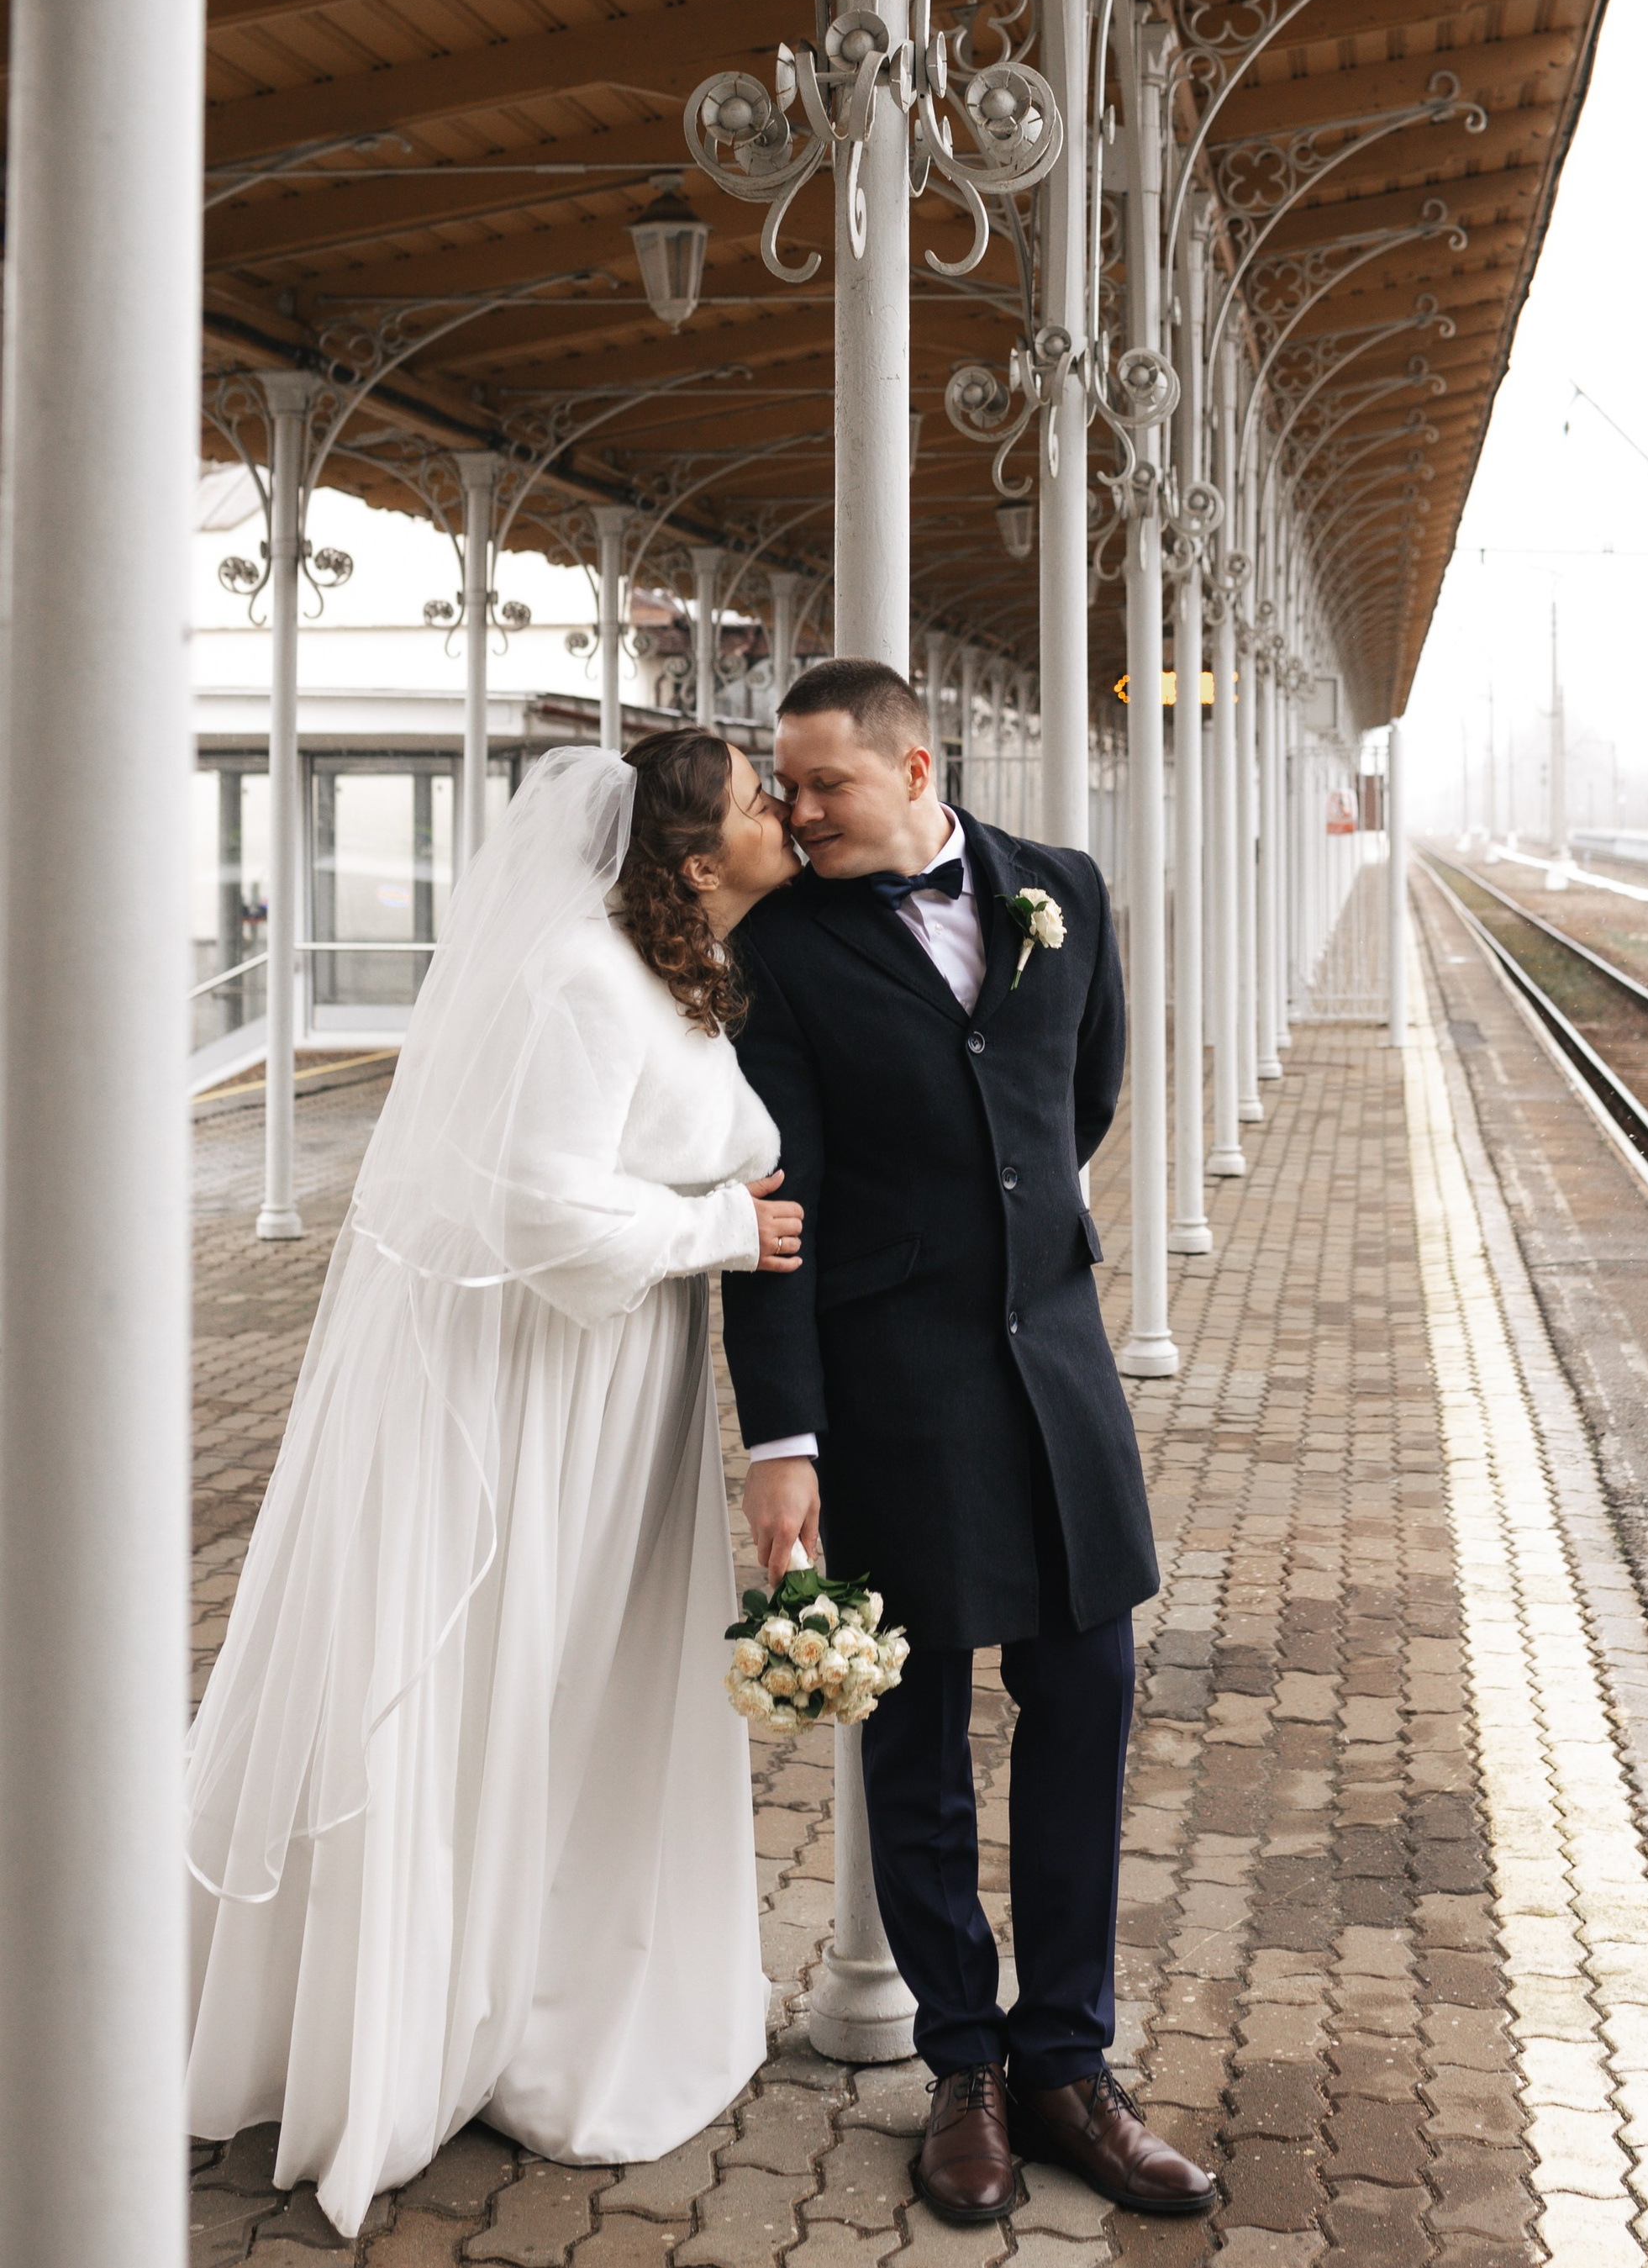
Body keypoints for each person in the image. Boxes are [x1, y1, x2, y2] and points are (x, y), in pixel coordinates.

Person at [187, 736, 804, 2237]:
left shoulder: (671, 970)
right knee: (520, 1682)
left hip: (628, 1392)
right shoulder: (579, 982)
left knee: (591, 1690)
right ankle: (455, 2013)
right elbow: (539, 1202)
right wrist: (716, 1227)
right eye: (752, 796)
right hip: (547, 1393)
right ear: (695, 853)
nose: (779, 809)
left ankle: (572, 1986)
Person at [721, 657, 1217, 2226]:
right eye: (781, 790)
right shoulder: (780, 952)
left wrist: (1003, 1233)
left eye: (824, 787)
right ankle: (964, 2067)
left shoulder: (1059, 890)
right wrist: (781, 1434)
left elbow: (1083, 1101)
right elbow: (772, 1215)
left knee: (1087, 1699)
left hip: (1057, 1374)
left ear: (917, 767)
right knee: (917, 1738)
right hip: (890, 1389)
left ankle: (1069, 2058)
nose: (796, 815)